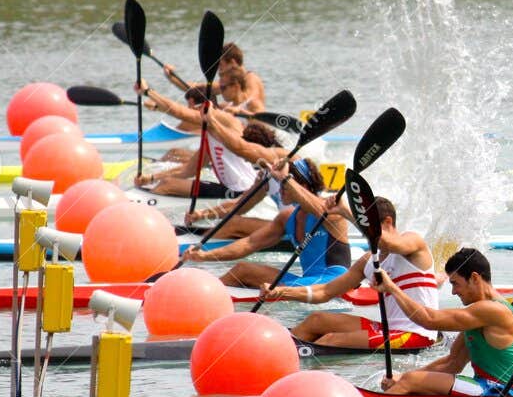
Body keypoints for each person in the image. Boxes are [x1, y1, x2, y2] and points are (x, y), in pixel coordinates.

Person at [266, 198, 439, 351]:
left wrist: (346, 211)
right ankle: (279, 352)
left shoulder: (413, 242)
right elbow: (325, 291)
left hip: (417, 334)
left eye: (368, 230)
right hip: (388, 329)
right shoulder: (368, 261)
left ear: (388, 221)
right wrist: (281, 292)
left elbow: (387, 241)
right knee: (316, 320)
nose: (367, 237)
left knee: (329, 340)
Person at [375, 248, 513, 397]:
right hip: (487, 387)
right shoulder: (479, 317)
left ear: (474, 278)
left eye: (455, 283)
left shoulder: (493, 310)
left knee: (410, 381)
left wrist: (392, 287)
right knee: (409, 380)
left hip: (503, 393)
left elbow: (429, 320)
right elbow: (453, 363)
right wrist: (402, 377)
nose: (453, 291)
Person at [185, 157, 353, 288]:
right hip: (308, 281)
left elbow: (319, 208)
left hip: (335, 283)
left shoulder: (332, 211)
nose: (279, 191)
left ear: (301, 185)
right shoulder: (287, 217)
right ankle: (208, 295)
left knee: (275, 288)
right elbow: (250, 243)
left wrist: (286, 178)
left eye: (283, 186)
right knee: (242, 270)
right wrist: (204, 256)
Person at [134, 87, 283, 209]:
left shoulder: (224, 120)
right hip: (228, 189)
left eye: (192, 109)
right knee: (167, 182)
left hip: (243, 189)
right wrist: (151, 178)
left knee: (168, 185)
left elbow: (179, 112)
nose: (191, 115)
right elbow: (188, 170)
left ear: (203, 108)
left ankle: (150, 216)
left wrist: (148, 91)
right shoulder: (211, 135)